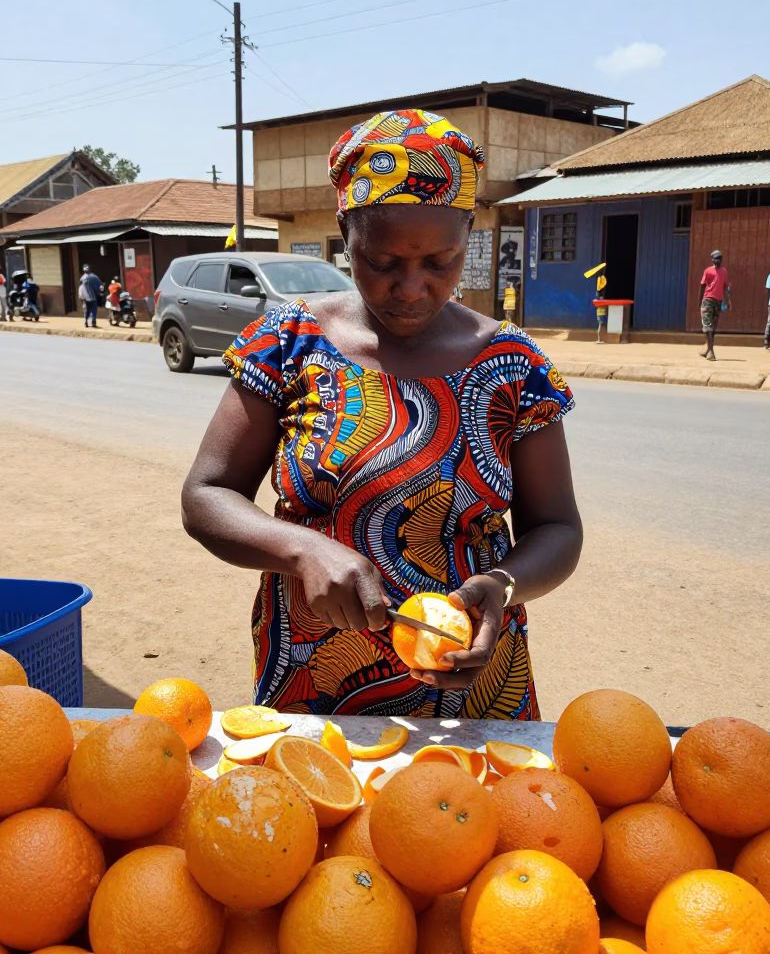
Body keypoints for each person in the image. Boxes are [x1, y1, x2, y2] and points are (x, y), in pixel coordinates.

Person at [181, 109, 583, 720]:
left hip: (471, 681)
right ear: (347, 234)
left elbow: (557, 528)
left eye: (440, 262)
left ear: (468, 234)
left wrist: (500, 587)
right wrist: (301, 550)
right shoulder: (287, 343)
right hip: (315, 679)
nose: (412, 288)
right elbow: (206, 495)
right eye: (383, 262)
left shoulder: (515, 365)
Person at [699, 249, 732, 361]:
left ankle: (707, 349)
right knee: (707, 327)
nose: (717, 260)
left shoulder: (724, 272)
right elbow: (702, 286)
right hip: (708, 300)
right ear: (712, 260)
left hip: (718, 301)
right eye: (715, 258)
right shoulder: (708, 271)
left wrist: (729, 301)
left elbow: (726, 287)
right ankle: (711, 351)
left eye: (719, 258)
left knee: (712, 328)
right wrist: (700, 302)